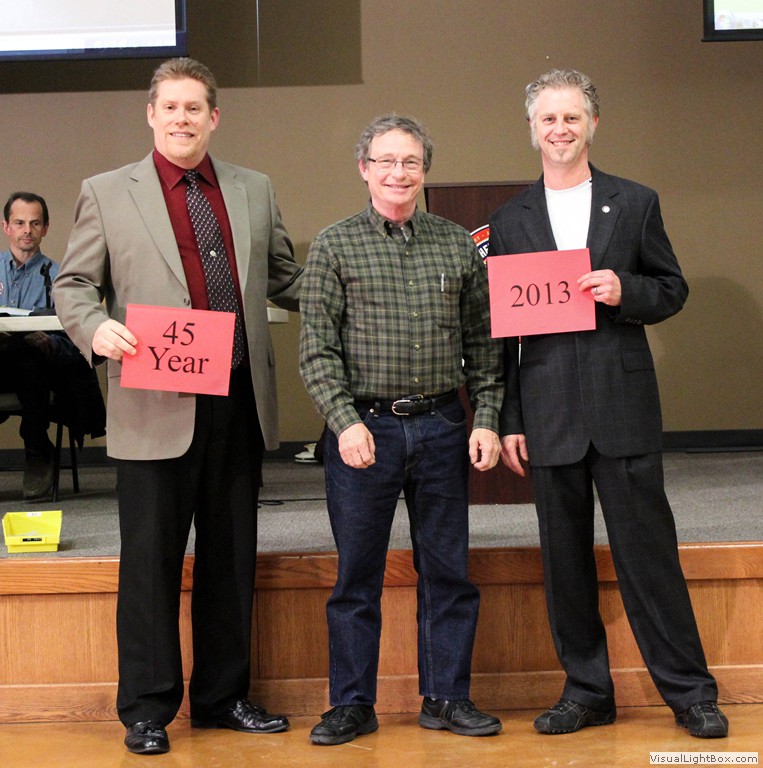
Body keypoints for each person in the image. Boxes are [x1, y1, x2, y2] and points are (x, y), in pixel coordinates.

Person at [53, 58, 302, 755]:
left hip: (237, 401)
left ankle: (223, 698)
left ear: (213, 117)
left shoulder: (253, 189)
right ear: (151, 114)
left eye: (195, 108)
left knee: (231, 562)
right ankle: (146, 709)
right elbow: (73, 285)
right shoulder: (107, 192)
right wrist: (93, 328)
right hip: (153, 404)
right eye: (171, 107)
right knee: (150, 564)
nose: (182, 119)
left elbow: (286, 278)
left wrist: (360, 282)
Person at [491, 69, 728, 739]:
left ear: (593, 124)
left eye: (572, 117)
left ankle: (690, 693)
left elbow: (671, 288)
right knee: (564, 566)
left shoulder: (635, 201)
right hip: (547, 415)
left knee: (649, 558)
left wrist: (627, 291)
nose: (560, 129)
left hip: (622, 408)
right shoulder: (508, 220)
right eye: (548, 118)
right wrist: (510, 419)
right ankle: (587, 692)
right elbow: (503, 333)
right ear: (531, 128)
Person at [299, 114, 504, 746]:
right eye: (385, 161)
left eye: (410, 162)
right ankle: (351, 704)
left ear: (424, 171)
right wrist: (343, 422)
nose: (398, 172)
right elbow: (316, 351)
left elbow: (485, 344)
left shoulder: (457, 245)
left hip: (443, 425)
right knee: (356, 576)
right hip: (365, 430)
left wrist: (487, 418)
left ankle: (446, 697)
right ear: (364, 169)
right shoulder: (333, 245)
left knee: (448, 572)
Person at [1, 192, 87, 499]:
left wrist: (50, 342)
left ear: (45, 228)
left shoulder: (61, 278)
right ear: (6, 226)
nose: (27, 230)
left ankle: (37, 451)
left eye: (35, 223)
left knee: (30, 355)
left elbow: (75, 339)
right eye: (19, 223)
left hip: (38, 370)